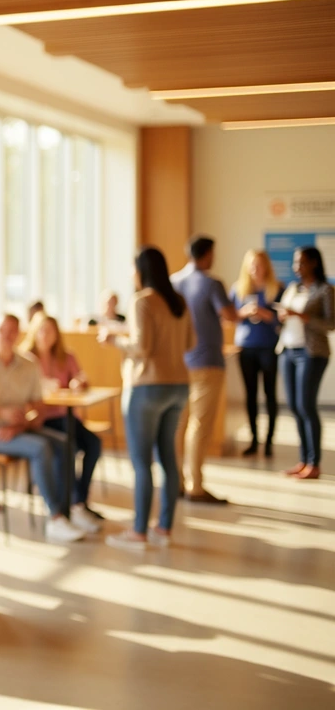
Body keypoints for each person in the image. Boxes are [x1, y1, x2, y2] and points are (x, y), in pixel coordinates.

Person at [0, 314, 90, 543]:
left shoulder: (28, 364)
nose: (7, 336)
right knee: (41, 448)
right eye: (2, 331)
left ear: (19, 334)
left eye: (12, 331)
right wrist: (2, 413)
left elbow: (39, 405)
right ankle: (55, 517)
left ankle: (70, 509)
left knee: (66, 443)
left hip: (21, 428)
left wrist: (21, 424)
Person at [102, 246, 194, 551]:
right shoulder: (178, 301)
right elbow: (190, 342)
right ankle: (163, 528)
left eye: (133, 268)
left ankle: (138, 532)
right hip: (178, 386)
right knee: (168, 458)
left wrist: (114, 340)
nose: (131, 274)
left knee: (141, 463)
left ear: (142, 270)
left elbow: (142, 347)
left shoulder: (142, 300)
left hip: (146, 387)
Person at [171, 236, 237, 504]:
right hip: (207, 362)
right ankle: (196, 487)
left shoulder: (173, 282)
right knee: (199, 425)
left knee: (178, 423)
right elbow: (230, 316)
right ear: (208, 254)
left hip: (178, 362)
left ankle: (176, 482)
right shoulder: (212, 283)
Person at [21, 313, 104, 526]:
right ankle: (73, 504)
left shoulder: (66, 357)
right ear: (34, 332)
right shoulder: (26, 360)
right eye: (42, 330)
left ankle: (79, 500)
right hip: (43, 418)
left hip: (66, 415)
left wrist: (79, 382)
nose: (46, 335)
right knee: (69, 447)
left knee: (94, 444)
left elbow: (81, 377)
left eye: (51, 331)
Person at [278, 246, 334, 480]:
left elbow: (331, 324)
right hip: (287, 350)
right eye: (295, 262)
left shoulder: (325, 290)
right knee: (294, 406)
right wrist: (282, 316)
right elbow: (283, 317)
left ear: (313, 263)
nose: (296, 267)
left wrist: (304, 317)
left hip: (312, 353)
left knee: (306, 406)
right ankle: (303, 460)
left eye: (301, 262)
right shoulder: (293, 288)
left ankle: (314, 463)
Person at [230, 249, 282, 458]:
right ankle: (253, 439)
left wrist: (264, 313)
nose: (256, 269)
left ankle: (269, 441)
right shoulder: (238, 289)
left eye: (259, 265)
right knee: (250, 394)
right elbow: (229, 317)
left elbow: (282, 319)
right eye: (252, 265)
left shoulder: (276, 289)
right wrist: (244, 313)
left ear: (266, 267)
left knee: (270, 393)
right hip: (246, 347)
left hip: (269, 347)